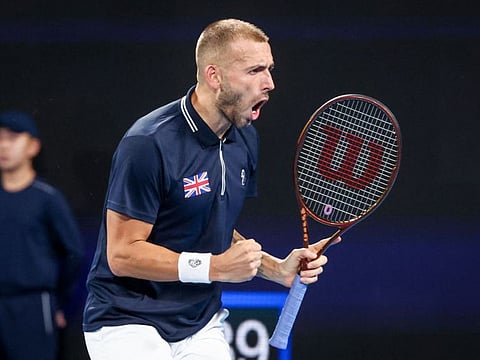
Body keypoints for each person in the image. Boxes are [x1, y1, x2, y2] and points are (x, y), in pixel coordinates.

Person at [83, 18, 339, 360]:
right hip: (127, 318)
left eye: (270, 69)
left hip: (199, 321)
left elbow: (208, 223)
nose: (270, 83)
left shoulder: (245, 137)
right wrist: (213, 268)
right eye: (255, 70)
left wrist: (272, 268)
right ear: (214, 76)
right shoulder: (147, 144)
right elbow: (122, 255)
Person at [0, 110, 84, 359]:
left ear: (33, 146)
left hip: (34, 305)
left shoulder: (47, 199)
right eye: (0, 138)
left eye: (13, 138)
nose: (4, 145)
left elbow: (73, 254)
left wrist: (60, 303)